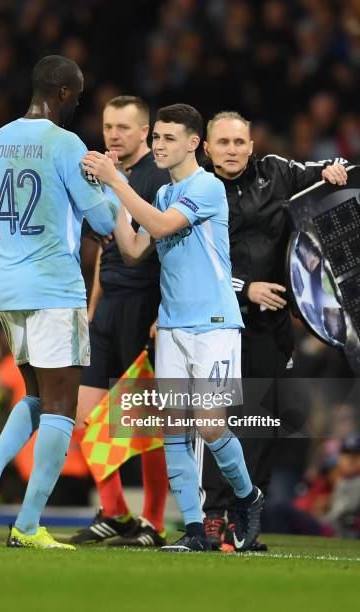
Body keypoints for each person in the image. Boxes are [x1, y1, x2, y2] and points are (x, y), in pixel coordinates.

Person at [82, 103, 264, 553]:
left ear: (193, 144)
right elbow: (134, 249)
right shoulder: (162, 195)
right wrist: (110, 203)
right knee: (174, 430)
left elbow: (162, 227)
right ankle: (195, 530)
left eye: (168, 138)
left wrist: (117, 181)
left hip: (215, 324)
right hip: (173, 326)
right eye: (157, 137)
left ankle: (248, 497)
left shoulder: (207, 187)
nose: (159, 145)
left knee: (208, 424)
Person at [0, 55, 119, 550]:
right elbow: (105, 220)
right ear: (65, 93)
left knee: (34, 394)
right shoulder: (65, 143)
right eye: (77, 96)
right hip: (53, 285)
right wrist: (111, 182)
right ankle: (28, 526)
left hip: (6, 285)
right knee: (60, 409)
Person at [199, 110, 348, 550]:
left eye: (238, 142)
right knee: (217, 422)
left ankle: (248, 520)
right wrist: (247, 289)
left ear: (251, 145)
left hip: (272, 324)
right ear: (206, 149)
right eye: (222, 143)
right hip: (217, 322)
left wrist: (333, 170)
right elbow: (192, 264)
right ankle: (214, 517)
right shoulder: (196, 191)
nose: (231, 150)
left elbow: (321, 174)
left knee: (261, 426)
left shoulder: (277, 172)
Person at [71, 96, 170, 547]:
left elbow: (169, 253)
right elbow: (107, 245)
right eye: (109, 126)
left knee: (144, 422)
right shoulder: (104, 177)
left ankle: (152, 521)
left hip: (143, 305)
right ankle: (116, 513)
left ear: (144, 132)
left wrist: (162, 314)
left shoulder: (159, 178)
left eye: (123, 128)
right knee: (84, 417)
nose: (113, 134)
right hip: (108, 306)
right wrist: (94, 301)